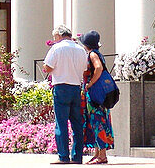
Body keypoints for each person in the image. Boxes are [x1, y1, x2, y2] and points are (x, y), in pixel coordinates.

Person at [43, 25, 88, 165]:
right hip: (75, 87)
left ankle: (63, 156)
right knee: (77, 123)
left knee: (61, 123)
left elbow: (48, 67)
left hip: (61, 86)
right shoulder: (80, 49)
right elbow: (84, 69)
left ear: (60, 35)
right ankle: (77, 156)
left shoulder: (57, 48)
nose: (54, 40)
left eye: (55, 37)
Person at [80, 31, 114, 164]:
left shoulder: (93, 54)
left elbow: (98, 68)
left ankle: (102, 155)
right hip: (99, 94)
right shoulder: (97, 53)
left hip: (95, 94)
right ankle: (98, 153)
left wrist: (90, 84)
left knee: (97, 121)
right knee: (97, 120)